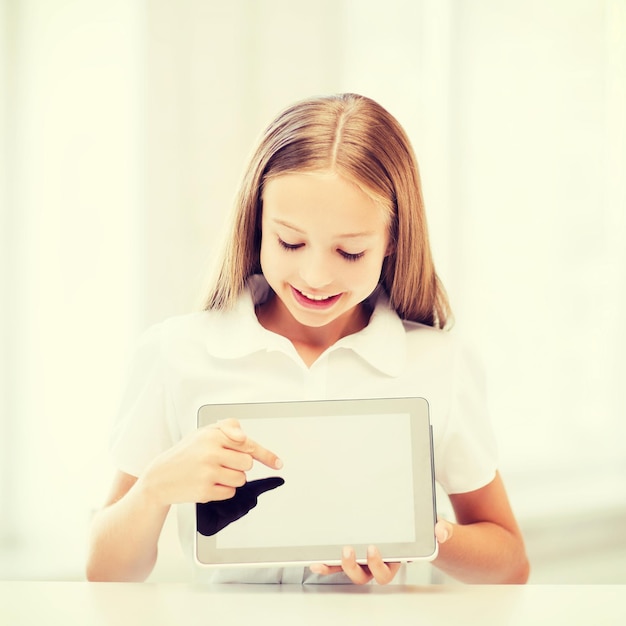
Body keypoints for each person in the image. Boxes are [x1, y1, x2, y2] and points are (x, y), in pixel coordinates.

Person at [86, 93, 529, 585]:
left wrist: (424, 536)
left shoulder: (439, 362)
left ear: (393, 241)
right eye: (290, 242)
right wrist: (152, 491)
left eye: (350, 251)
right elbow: (105, 574)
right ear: (255, 223)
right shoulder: (175, 354)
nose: (315, 276)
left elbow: (510, 564)